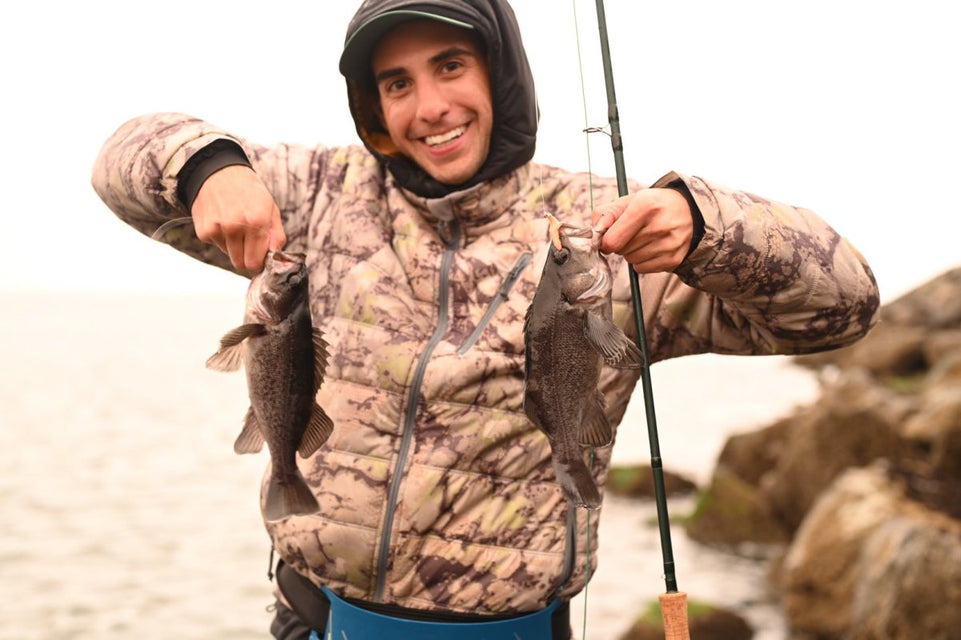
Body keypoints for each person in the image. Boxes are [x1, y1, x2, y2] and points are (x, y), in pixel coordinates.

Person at [91, 1, 880, 638]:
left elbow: (843, 305)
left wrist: (708, 226)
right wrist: (207, 166)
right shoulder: (313, 195)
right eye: (396, 84)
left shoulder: (605, 228)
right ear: (371, 103)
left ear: (500, 75)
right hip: (311, 619)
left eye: (449, 66)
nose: (429, 107)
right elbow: (121, 159)